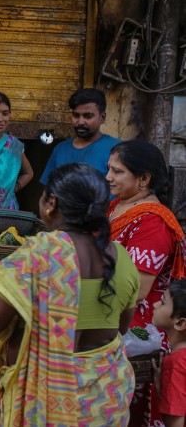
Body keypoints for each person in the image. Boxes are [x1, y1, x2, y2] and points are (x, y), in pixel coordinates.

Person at [0, 163, 139, 426]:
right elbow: (121, 327)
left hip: (44, 403)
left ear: (50, 203)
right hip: (104, 401)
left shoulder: (38, 254)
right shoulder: (121, 257)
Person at [105, 140, 186, 427]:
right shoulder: (117, 207)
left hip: (137, 333)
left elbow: (137, 290)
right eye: (108, 169)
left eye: (117, 172)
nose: (108, 177)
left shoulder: (153, 223)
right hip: (111, 319)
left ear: (143, 179)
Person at [39, 88, 121, 185]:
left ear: (102, 118)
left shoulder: (117, 149)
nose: (80, 122)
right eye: (76, 116)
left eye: (88, 116)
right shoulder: (60, 149)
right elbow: (48, 191)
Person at [151, 279, 186, 427]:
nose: (155, 304)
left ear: (179, 323)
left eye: (163, 302)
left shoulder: (176, 362)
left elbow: (175, 425)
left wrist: (162, 387)